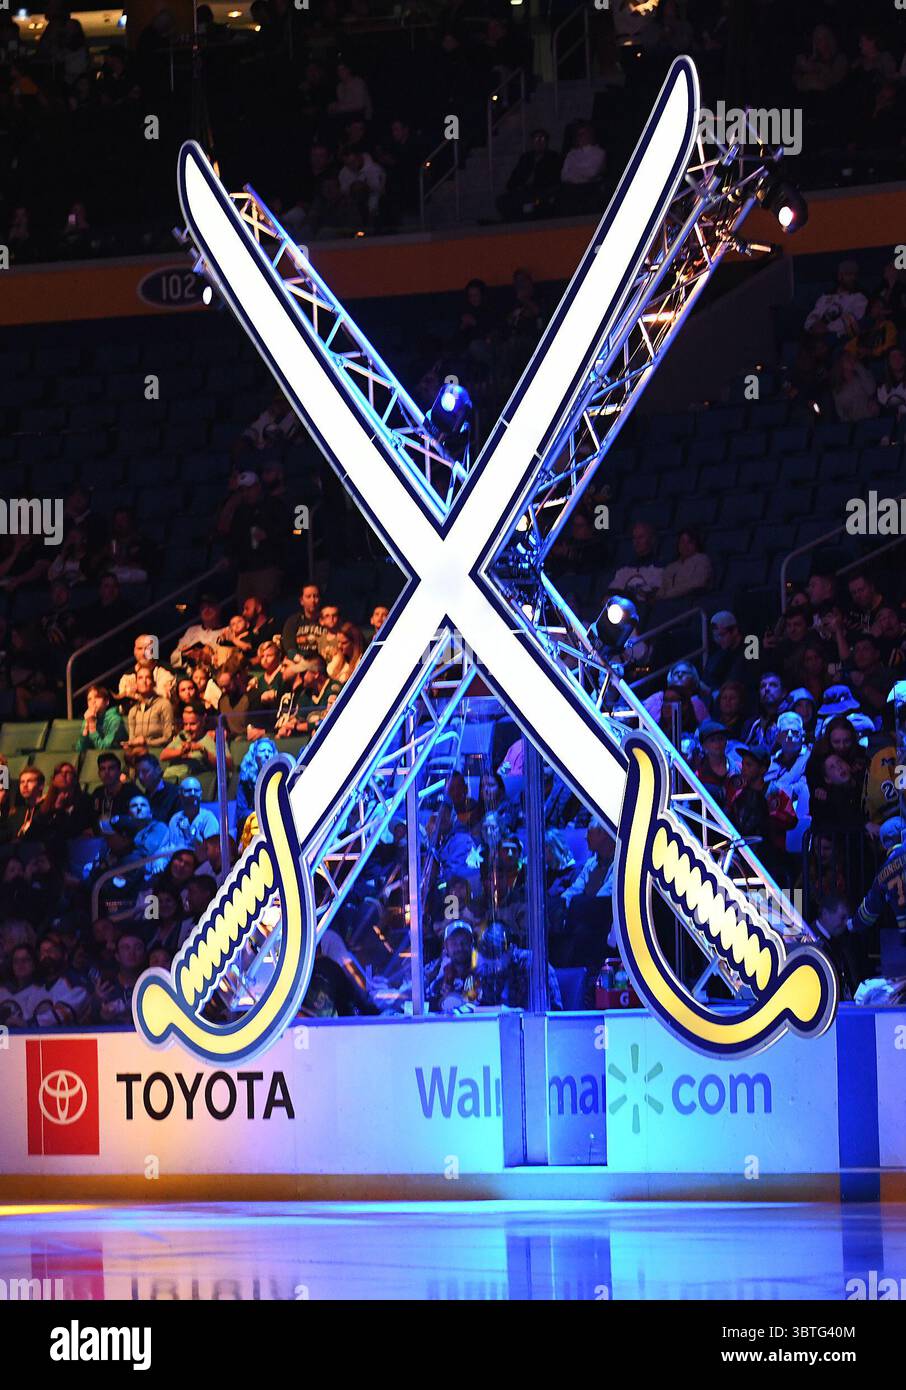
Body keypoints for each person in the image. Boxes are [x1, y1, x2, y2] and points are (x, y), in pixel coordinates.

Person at [473, 921, 562, 1010]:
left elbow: (551, 1010)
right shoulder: (490, 971)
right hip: (500, 1023)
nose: (491, 962)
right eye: (487, 954)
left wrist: (513, 1013)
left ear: (511, 949)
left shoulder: (532, 964)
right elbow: (486, 1005)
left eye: (496, 954)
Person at [801, 894, 864, 1000]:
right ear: (825, 914)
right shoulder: (810, 941)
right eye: (842, 917)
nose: (846, 923)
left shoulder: (840, 939)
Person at [498, 128, 561, 221]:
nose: (539, 142)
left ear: (547, 142)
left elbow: (554, 179)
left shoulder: (553, 157)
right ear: (532, 142)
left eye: (542, 139)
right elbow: (514, 178)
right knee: (502, 201)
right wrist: (516, 187)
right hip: (524, 191)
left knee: (535, 202)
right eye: (536, 139)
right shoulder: (526, 158)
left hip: (541, 191)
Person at [804, 260, 867, 340]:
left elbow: (853, 318)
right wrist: (811, 326)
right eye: (849, 274)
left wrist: (827, 328)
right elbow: (815, 313)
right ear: (839, 276)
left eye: (854, 275)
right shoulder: (826, 296)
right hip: (816, 335)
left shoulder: (860, 298)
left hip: (839, 337)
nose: (852, 278)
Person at [122, 663, 175, 758]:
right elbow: (132, 739)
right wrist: (129, 743)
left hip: (159, 754)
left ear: (153, 683)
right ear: (136, 683)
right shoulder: (133, 710)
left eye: (148, 678)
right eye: (140, 678)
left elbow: (168, 737)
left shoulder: (164, 704)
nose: (144, 681)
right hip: (137, 757)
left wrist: (146, 742)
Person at [607, 521, 663, 606]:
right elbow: (611, 593)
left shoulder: (660, 569)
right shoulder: (624, 570)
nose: (636, 542)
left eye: (641, 537)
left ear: (652, 539)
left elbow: (654, 595)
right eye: (634, 538)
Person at [159, 703, 217, 783]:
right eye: (185, 724)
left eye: (193, 724)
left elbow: (225, 766)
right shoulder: (183, 735)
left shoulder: (211, 738)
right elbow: (163, 756)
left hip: (189, 783)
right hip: (169, 779)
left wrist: (202, 749)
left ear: (203, 720)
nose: (188, 728)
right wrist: (181, 752)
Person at [167, 776, 219, 852]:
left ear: (201, 795)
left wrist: (190, 836)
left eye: (196, 790)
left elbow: (210, 851)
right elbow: (173, 846)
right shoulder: (175, 819)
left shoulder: (209, 819)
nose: (193, 794)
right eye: (188, 791)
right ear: (180, 795)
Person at [281, 583, 326, 671]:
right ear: (302, 601)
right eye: (308, 597)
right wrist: (301, 662)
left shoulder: (327, 620)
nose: (313, 600)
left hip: (321, 665)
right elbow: (289, 648)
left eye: (316, 596)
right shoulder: (293, 621)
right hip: (298, 662)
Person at [658, 527, 713, 599]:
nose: (685, 545)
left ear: (696, 544)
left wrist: (668, 595)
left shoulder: (702, 560)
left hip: (691, 602)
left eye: (689, 542)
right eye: (682, 542)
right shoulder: (671, 567)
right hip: (668, 603)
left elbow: (697, 584)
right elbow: (662, 589)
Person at [77, 684, 126, 751]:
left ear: (106, 701)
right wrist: (85, 730)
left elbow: (105, 750)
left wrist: (92, 728)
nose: (93, 701)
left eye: (97, 697)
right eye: (89, 699)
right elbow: (79, 750)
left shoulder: (115, 720)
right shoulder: (89, 718)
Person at [135, 752, 180, 824]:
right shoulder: (142, 795)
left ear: (158, 770)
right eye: (138, 773)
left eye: (145, 772)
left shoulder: (175, 794)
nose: (140, 777)